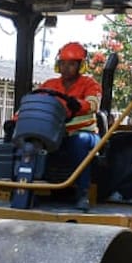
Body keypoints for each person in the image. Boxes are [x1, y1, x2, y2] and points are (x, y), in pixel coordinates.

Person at [41, 42, 101, 210]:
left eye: (72, 64)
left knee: (79, 142)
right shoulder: (49, 85)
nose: (66, 68)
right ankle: (26, 189)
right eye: (63, 63)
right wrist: (16, 120)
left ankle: (83, 193)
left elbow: (93, 103)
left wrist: (78, 105)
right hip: (54, 135)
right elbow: (35, 104)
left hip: (86, 135)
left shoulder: (90, 84)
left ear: (81, 66)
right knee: (27, 142)